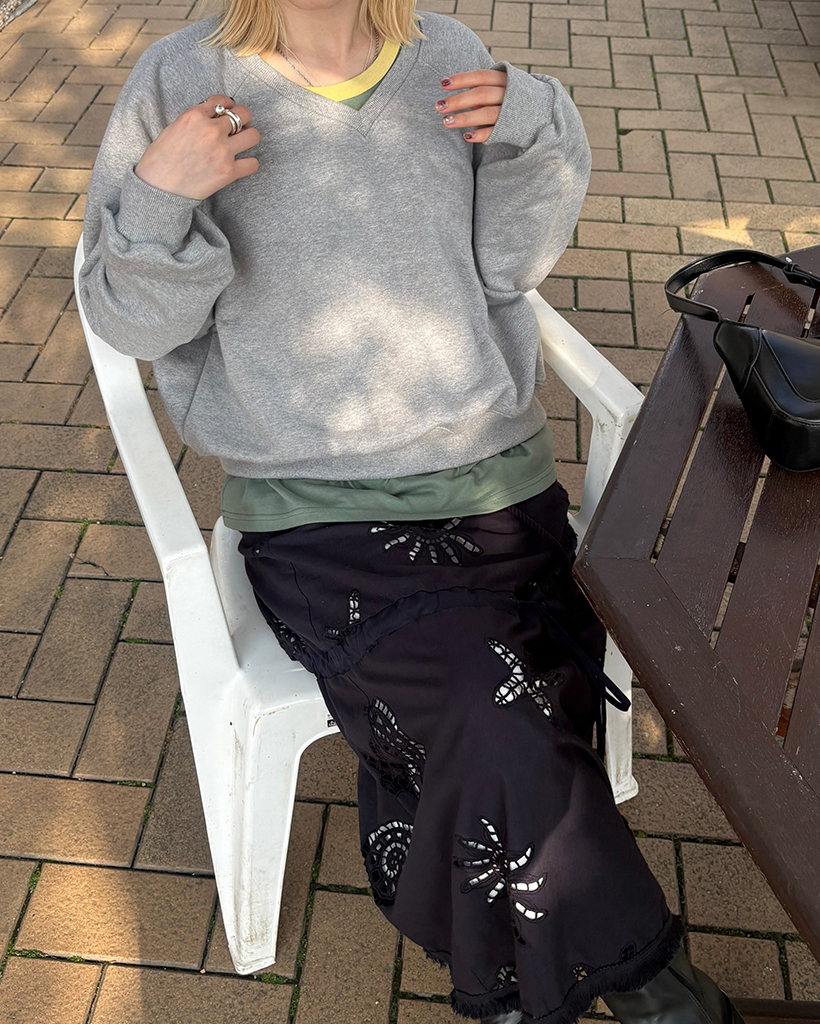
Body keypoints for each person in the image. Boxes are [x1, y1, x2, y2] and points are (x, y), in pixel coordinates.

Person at [79, 0, 746, 1021]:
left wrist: (536, 129)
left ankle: (517, 955)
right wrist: (160, 196)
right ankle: (652, 984)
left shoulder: (448, 56)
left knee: (508, 701)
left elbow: (509, 267)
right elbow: (131, 321)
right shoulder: (179, 81)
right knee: (495, 706)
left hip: (495, 485)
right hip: (316, 515)